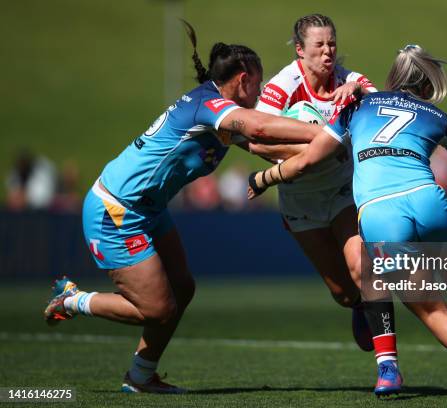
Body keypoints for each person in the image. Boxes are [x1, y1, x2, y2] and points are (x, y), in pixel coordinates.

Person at [247, 44, 447, 403]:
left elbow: (307, 161)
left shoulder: (355, 108)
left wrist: (263, 179)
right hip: (429, 200)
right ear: (426, 85)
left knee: (431, 308)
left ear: (394, 77)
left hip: (381, 213)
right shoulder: (437, 115)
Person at [43, 22, 321, 394]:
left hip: (147, 209)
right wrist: (325, 133)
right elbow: (258, 129)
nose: (262, 88)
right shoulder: (210, 106)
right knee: (158, 309)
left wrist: (323, 152)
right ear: (242, 80)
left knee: (182, 288)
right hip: (115, 210)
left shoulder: (219, 110)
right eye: (259, 81)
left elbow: (262, 146)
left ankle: (141, 377)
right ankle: (74, 300)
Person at [249, 13, 392, 357]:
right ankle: (359, 306)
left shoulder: (349, 79)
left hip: (344, 190)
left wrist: (356, 90)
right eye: (319, 45)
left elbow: (380, 105)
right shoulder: (283, 86)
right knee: (343, 293)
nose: (328, 52)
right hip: (300, 201)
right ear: (300, 50)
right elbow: (256, 140)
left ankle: (387, 363)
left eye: (332, 44)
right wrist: (315, 153)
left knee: (362, 269)